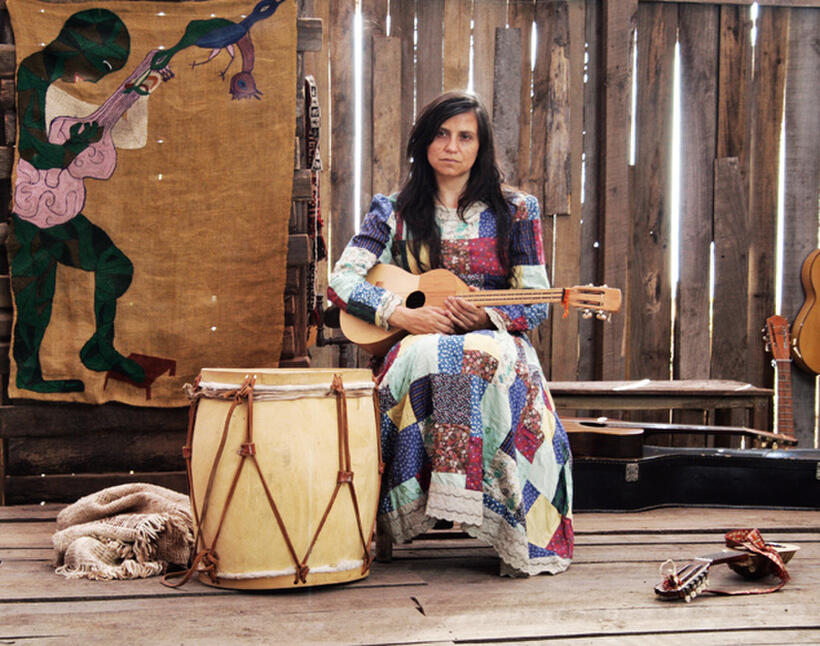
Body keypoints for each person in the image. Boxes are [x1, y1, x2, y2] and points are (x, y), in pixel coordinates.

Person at [328, 91, 573, 576]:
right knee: (426, 354)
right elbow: (342, 280)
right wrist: (401, 315)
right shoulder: (392, 211)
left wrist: (485, 318)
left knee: (479, 355)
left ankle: (504, 522)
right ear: (424, 142)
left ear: (481, 147)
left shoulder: (516, 210)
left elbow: (534, 300)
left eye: (465, 137)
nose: (452, 146)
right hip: (413, 338)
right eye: (442, 134)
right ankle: (419, 506)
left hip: (497, 341)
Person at [8, 9, 146, 393]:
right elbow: (33, 149)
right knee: (35, 299)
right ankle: (29, 376)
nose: (97, 79)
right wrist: (76, 147)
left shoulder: (53, 76)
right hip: (33, 213)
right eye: (101, 68)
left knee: (114, 265)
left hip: (61, 210)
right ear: (79, 51)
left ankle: (100, 346)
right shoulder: (34, 72)